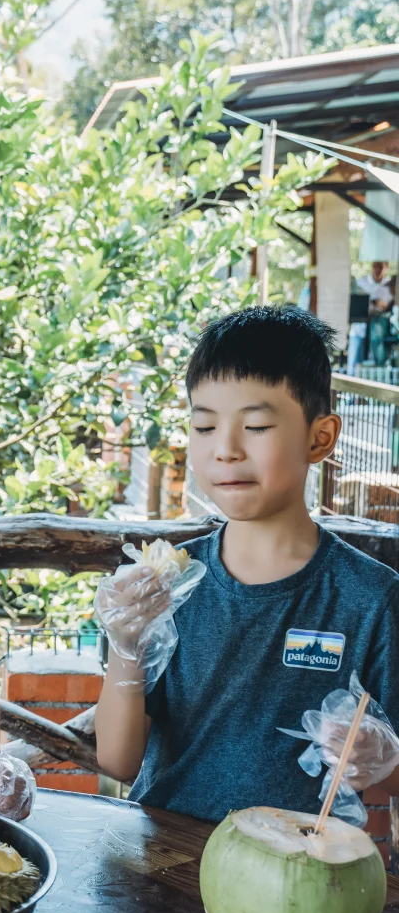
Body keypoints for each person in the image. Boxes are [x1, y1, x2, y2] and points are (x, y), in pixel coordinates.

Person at [94, 305, 399, 821]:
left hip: (301, 861)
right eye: (204, 426)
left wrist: (378, 756)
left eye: (255, 425)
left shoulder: (371, 597)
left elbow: (392, 777)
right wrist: (127, 647)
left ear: (320, 437)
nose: (226, 450)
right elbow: (118, 761)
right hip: (166, 856)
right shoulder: (169, 586)